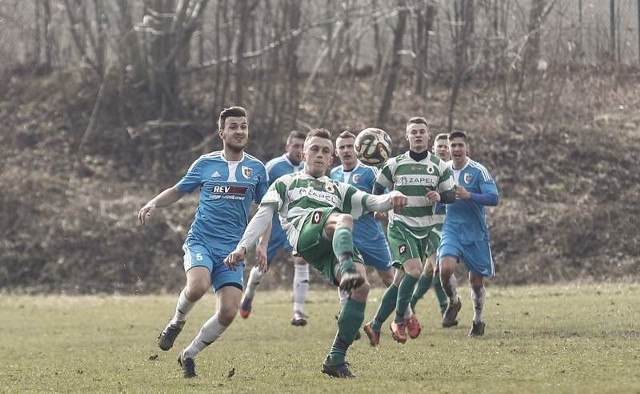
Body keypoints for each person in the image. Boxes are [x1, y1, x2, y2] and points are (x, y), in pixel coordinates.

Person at [224, 128, 408, 378]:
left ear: (331, 159)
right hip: (306, 233)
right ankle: (346, 267)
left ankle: (336, 358)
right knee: (342, 218)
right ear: (303, 154)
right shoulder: (286, 182)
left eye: (325, 151)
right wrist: (243, 247)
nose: (320, 155)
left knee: (362, 288)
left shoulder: (338, 187)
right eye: (314, 149)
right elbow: (263, 214)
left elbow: (372, 202)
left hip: (330, 244)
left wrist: (393, 195)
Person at [137, 106, 269, 378]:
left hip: (233, 250)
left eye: (243, 126)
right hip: (202, 242)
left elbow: (267, 211)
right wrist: (154, 203)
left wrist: (261, 246)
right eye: (233, 126)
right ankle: (176, 323)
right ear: (222, 132)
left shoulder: (256, 169)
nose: (240, 131)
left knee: (230, 311)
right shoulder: (205, 164)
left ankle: (189, 354)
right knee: (197, 287)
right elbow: (177, 190)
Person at [363, 117, 455, 346]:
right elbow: (377, 188)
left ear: (428, 136)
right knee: (415, 271)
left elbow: (451, 195)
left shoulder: (440, 166)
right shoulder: (394, 163)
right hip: (400, 226)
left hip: (425, 229)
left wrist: (440, 196)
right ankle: (398, 321)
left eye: (422, 131)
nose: (418, 135)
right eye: (413, 132)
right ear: (407, 137)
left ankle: (374, 326)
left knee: (399, 282)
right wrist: (380, 208)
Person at [239, 130, 312, 326]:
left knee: (302, 259)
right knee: (261, 267)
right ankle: (249, 295)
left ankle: (298, 311)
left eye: (302, 146)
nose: (299, 149)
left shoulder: (308, 168)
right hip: (273, 224)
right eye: (295, 145)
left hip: (295, 226)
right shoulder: (273, 167)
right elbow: (260, 196)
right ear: (287, 146)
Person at [438, 130, 499, 337]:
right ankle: (454, 302)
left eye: (459, 145)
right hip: (451, 229)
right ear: (448, 148)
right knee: (444, 269)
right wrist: (435, 198)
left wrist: (468, 195)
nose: (456, 149)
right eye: (452, 145)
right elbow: (438, 197)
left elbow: (494, 198)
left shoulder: (478, 170)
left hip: (475, 232)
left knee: (476, 282)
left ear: (467, 148)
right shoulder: (442, 170)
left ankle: (478, 321)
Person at [409, 132, 454, 324]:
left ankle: (409, 303)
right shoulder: (427, 169)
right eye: (440, 146)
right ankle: (447, 309)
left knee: (428, 270)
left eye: (447, 146)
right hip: (431, 225)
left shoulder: (454, 171)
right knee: (436, 268)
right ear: (433, 148)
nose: (443, 149)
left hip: (451, 226)